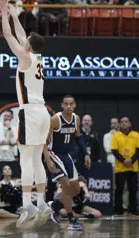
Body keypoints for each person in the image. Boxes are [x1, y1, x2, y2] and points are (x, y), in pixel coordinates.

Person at [0, 0, 52, 228]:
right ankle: (42, 203)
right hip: (43, 113)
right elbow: (20, 34)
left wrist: (2, 13)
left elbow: (10, 36)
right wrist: (12, 12)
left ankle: (28, 206)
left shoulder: (24, 57)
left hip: (29, 112)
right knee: (37, 159)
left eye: (27, 39)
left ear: (29, 45)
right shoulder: (37, 57)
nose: (25, 38)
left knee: (26, 161)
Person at [45, 95, 91, 231]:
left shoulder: (76, 119)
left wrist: (86, 154)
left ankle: (54, 205)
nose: (69, 106)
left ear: (75, 105)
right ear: (62, 105)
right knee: (65, 184)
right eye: (66, 104)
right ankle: (72, 219)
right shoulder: (55, 120)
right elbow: (44, 141)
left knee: (75, 190)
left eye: (71, 104)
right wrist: (47, 159)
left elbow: (78, 137)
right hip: (54, 154)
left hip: (66, 156)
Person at [111, 116, 139, 216]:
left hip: (133, 167)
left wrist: (131, 160)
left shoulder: (136, 135)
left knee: (133, 190)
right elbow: (114, 151)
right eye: (122, 122)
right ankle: (118, 210)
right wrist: (124, 160)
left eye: (126, 122)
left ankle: (133, 209)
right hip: (120, 167)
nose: (124, 123)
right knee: (119, 189)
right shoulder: (116, 135)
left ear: (130, 124)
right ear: (120, 124)